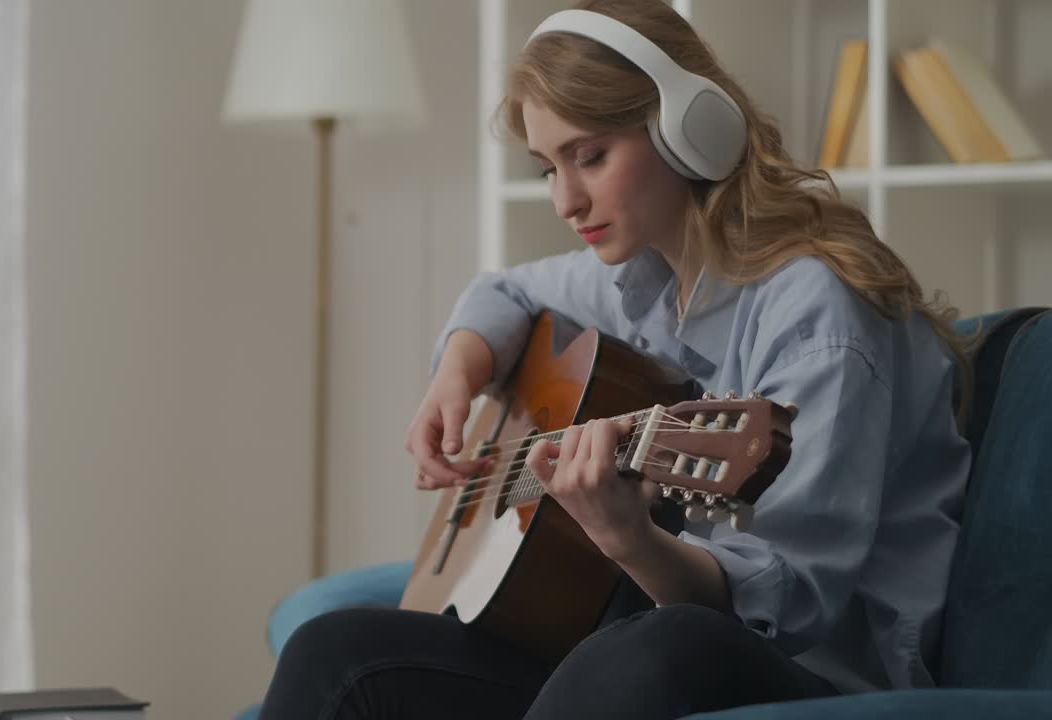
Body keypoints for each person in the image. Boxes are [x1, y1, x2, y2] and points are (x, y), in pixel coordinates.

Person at [257, 1, 973, 718]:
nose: (567, 200)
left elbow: (784, 604)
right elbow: (504, 290)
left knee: (648, 650)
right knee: (332, 653)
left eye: (591, 156)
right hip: (649, 641)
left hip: (814, 676)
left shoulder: (816, 313)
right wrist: (458, 374)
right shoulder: (641, 274)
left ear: (692, 131)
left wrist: (627, 536)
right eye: (546, 168)